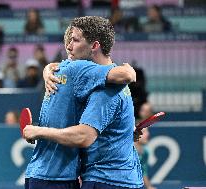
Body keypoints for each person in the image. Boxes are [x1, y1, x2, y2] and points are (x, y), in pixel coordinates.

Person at [23, 16, 141, 189]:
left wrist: (38, 131)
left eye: (75, 40)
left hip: (105, 182)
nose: (68, 47)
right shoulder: (88, 74)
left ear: (94, 46)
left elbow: (85, 136)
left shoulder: (104, 87)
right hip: (114, 179)